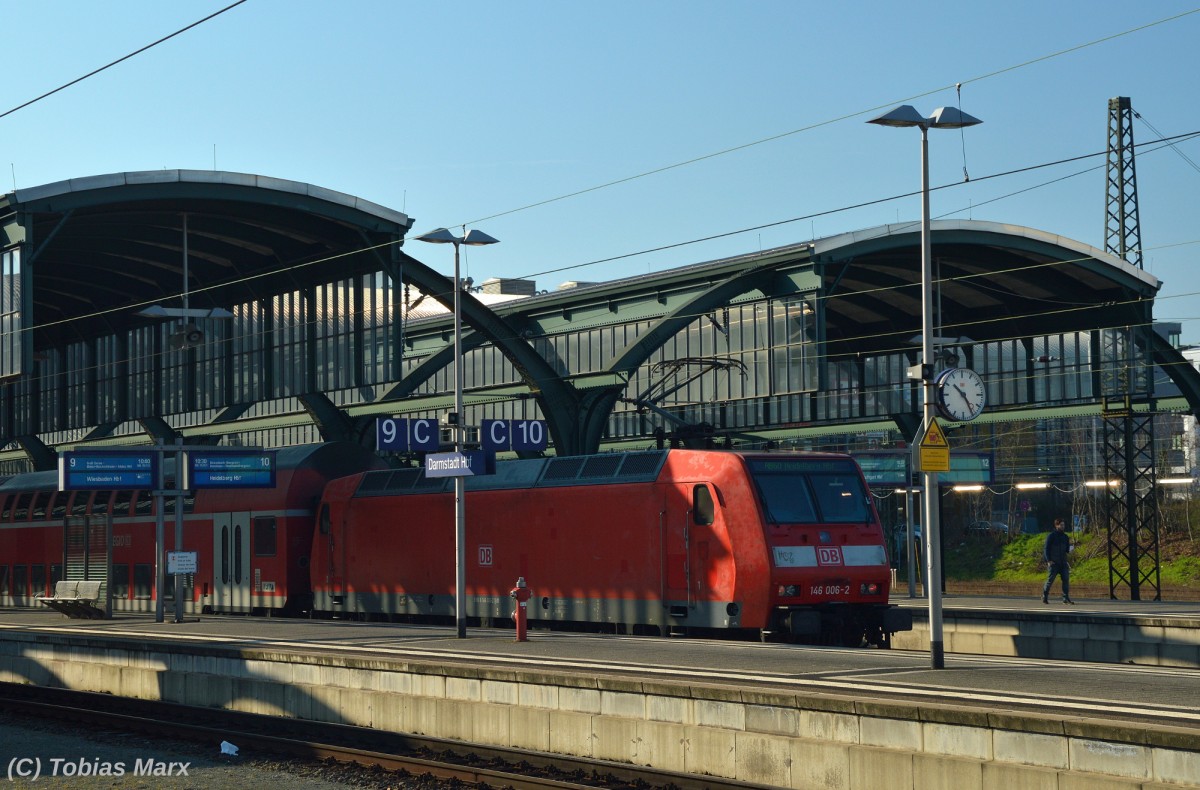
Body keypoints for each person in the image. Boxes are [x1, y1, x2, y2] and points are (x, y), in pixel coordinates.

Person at [1042, 518, 1074, 604]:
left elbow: (1067, 550)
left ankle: (1065, 598)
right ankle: (1045, 596)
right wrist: (1048, 560)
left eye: (1064, 525)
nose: (1063, 526)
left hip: (1063, 562)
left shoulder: (1065, 537)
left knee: (1066, 579)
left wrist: (1072, 548)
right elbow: (1046, 549)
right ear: (1056, 525)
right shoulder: (1051, 536)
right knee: (1050, 580)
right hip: (1054, 562)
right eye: (1061, 525)